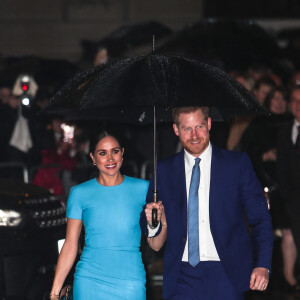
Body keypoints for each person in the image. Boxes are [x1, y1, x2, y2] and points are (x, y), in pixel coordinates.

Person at [141, 107, 273, 300]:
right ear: (176, 130)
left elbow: (260, 218)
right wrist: (153, 221)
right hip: (181, 275)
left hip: (226, 273)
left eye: (199, 127)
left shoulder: (236, 164)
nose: (194, 135)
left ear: (209, 124)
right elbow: (149, 227)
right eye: (187, 129)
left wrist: (263, 265)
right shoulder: (164, 171)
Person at [50, 131, 149, 299]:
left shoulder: (144, 189)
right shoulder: (79, 193)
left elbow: (157, 243)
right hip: (89, 281)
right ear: (93, 158)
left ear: (122, 153)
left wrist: (161, 221)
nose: (110, 159)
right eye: (103, 153)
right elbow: (70, 244)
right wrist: (54, 292)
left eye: (115, 151)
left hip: (131, 281)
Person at [277, 86, 300, 293]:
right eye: (294, 100)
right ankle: (290, 278)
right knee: (290, 235)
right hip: (291, 199)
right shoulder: (284, 131)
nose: (298, 105)